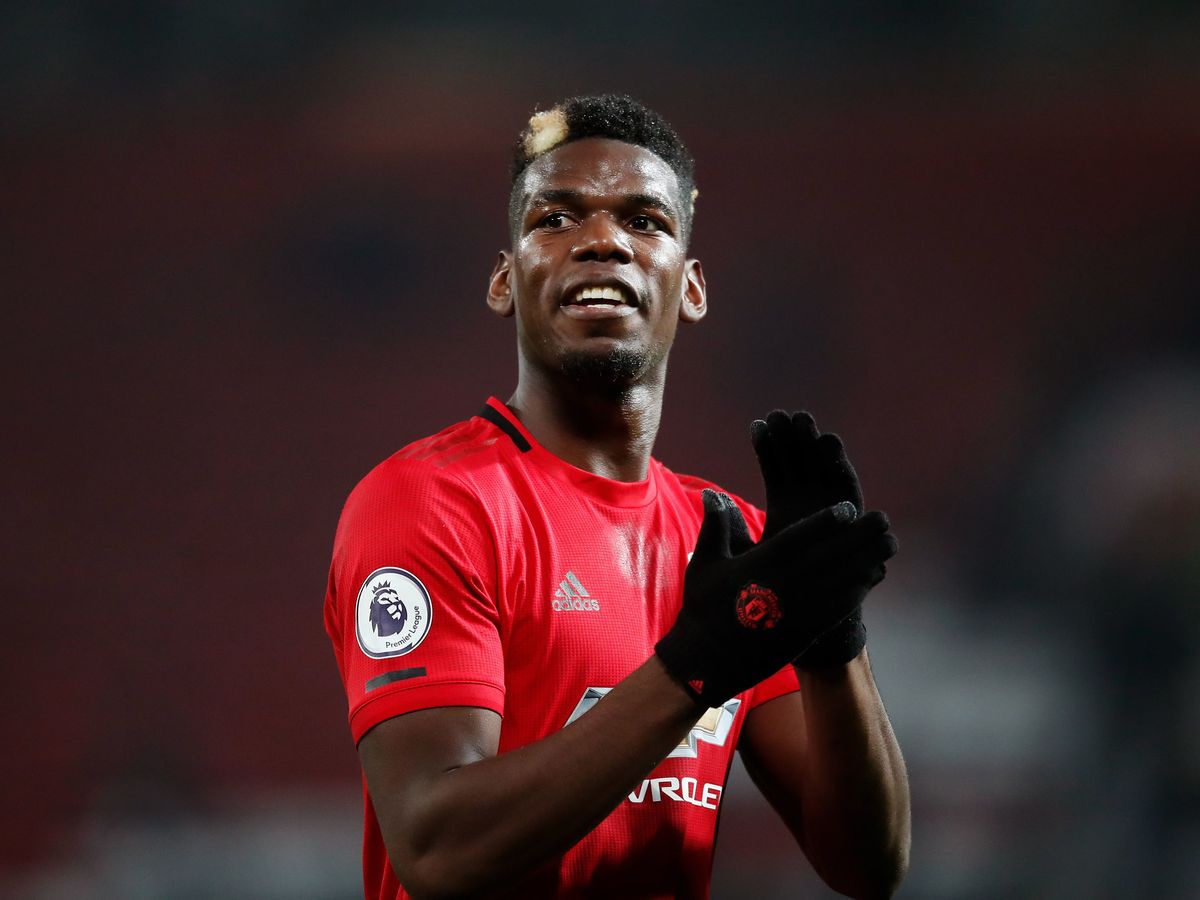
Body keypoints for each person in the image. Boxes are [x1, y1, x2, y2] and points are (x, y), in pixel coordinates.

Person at [324, 94, 910, 900]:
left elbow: (869, 866)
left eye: (643, 220)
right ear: (504, 280)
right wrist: (694, 666)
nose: (602, 240)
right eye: (556, 219)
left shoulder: (730, 543)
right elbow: (438, 849)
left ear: (691, 288)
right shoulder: (431, 503)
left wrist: (833, 641)